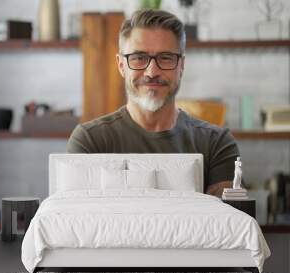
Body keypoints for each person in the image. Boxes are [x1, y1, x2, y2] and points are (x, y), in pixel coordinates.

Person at [67, 9, 239, 197]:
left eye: (165, 58)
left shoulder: (216, 144)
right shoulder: (90, 142)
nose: (151, 71)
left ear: (181, 66)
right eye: (139, 58)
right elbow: (79, 221)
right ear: (121, 65)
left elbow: (223, 223)